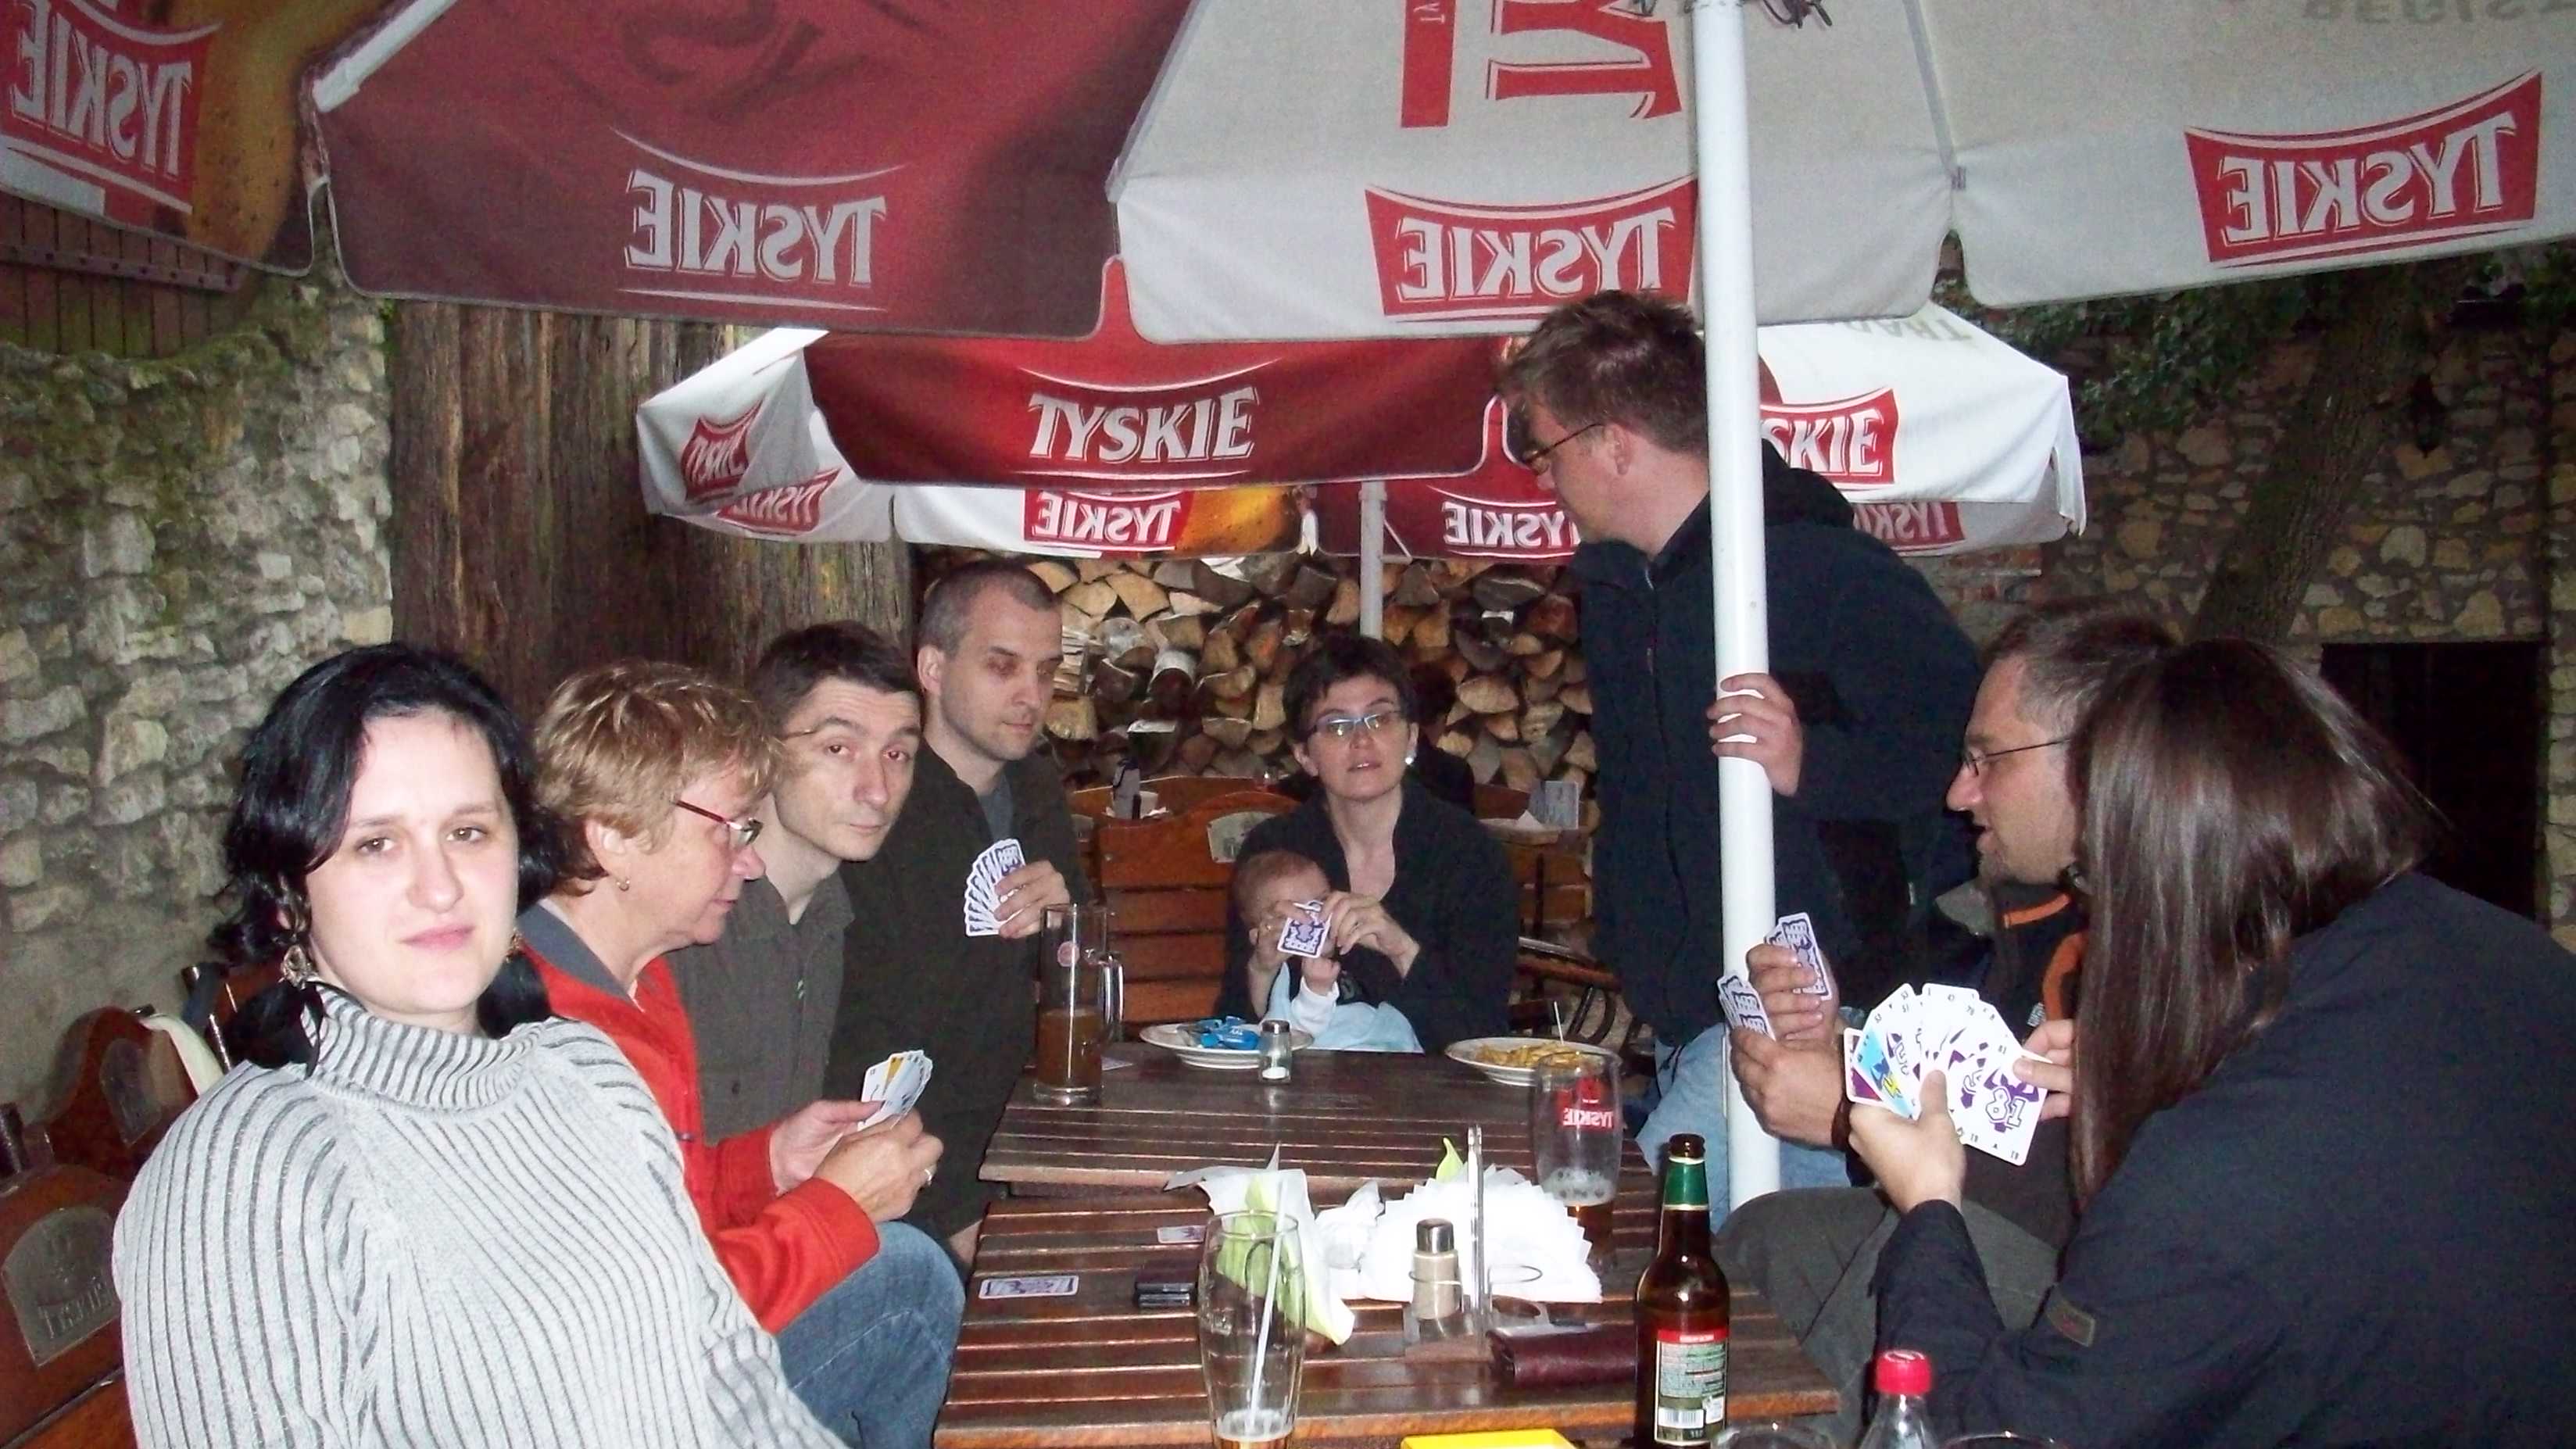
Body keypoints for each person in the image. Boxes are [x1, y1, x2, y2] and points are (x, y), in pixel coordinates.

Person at [1852, 639, 2576, 1445]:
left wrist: (1928, 1205)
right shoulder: (2516, 958)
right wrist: (2168, 1068)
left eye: (2092, 877)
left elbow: (1986, 1435)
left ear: (2145, 879)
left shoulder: (2206, 1176)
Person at [113, 645, 839, 1447]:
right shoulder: (250, 1172)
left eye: (467, 832)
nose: (441, 887)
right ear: (289, 895)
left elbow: (727, 1373)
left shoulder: (588, 1073)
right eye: (376, 844)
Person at [1499, 289, 1980, 1196]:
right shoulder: (1618, 595)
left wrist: (1814, 765)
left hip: (1811, 1034)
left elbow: (1973, 766)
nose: (1542, 477)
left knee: (1627, 1238)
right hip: (1684, 1023)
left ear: (1612, 443)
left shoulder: (1820, 570)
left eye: (1544, 447)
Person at [1715, 599, 2176, 1439]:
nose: (1958, 793)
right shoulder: (2024, 910)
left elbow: (2095, 1188)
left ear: (2098, 762)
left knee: (1926, 1251)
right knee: (1765, 1239)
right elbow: (1989, 1085)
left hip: (2118, 1297)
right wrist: (1842, 1044)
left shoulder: (2171, 929)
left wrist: (1851, 1112)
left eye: (1985, 759)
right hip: (2006, 1218)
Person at [522, 660, 960, 1448]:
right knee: (906, 1276)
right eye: (726, 828)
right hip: (615, 1410)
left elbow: (666, 1212)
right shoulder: (547, 1042)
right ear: (614, 837)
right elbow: (659, 1327)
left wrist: (768, 1164)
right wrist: (838, 1207)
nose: (749, 861)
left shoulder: (643, 981)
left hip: (671, 1359)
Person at [825, 560, 1091, 1266]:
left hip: (1029, 1137)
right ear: (934, 670)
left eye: (1046, 671)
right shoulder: (876, 814)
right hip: (904, 1175)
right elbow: (860, 1044)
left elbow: (1084, 976)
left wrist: (1067, 923)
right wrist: (957, 1216)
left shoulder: (1036, 787)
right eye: (1003, 667)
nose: (1032, 695)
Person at [670, 623, 923, 1139]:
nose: (877, 790)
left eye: (896, 754)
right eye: (839, 749)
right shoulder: (687, 925)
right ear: (764, 750)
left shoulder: (832, 915)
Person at [1215, 632, 1519, 1053]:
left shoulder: (1470, 855)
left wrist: (1401, 949)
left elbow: (1484, 1037)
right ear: (1305, 756)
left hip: (1431, 1090)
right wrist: (1260, 968)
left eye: (1379, 719)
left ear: (1411, 737)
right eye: (1337, 726)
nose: (1361, 740)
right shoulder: (1276, 852)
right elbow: (1229, 1026)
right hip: (1302, 1089)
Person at [1233, 847, 1423, 1052]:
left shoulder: (1354, 951)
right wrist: (1315, 991)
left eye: (1322, 901)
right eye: (1298, 911)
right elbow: (1285, 1030)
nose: (1317, 917)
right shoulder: (1284, 973)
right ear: (1261, 935)